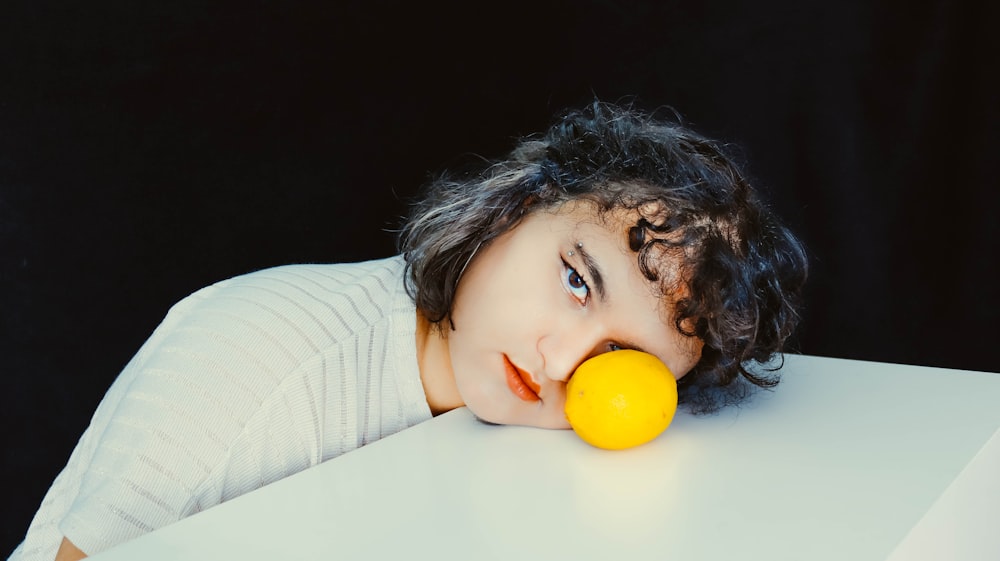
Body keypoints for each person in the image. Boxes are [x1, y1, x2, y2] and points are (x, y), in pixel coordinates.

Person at [9, 100, 807, 560]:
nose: (563, 362)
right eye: (576, 279)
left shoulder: (543, 446)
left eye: (621, 357)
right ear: (515, 207)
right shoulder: (251, 355)